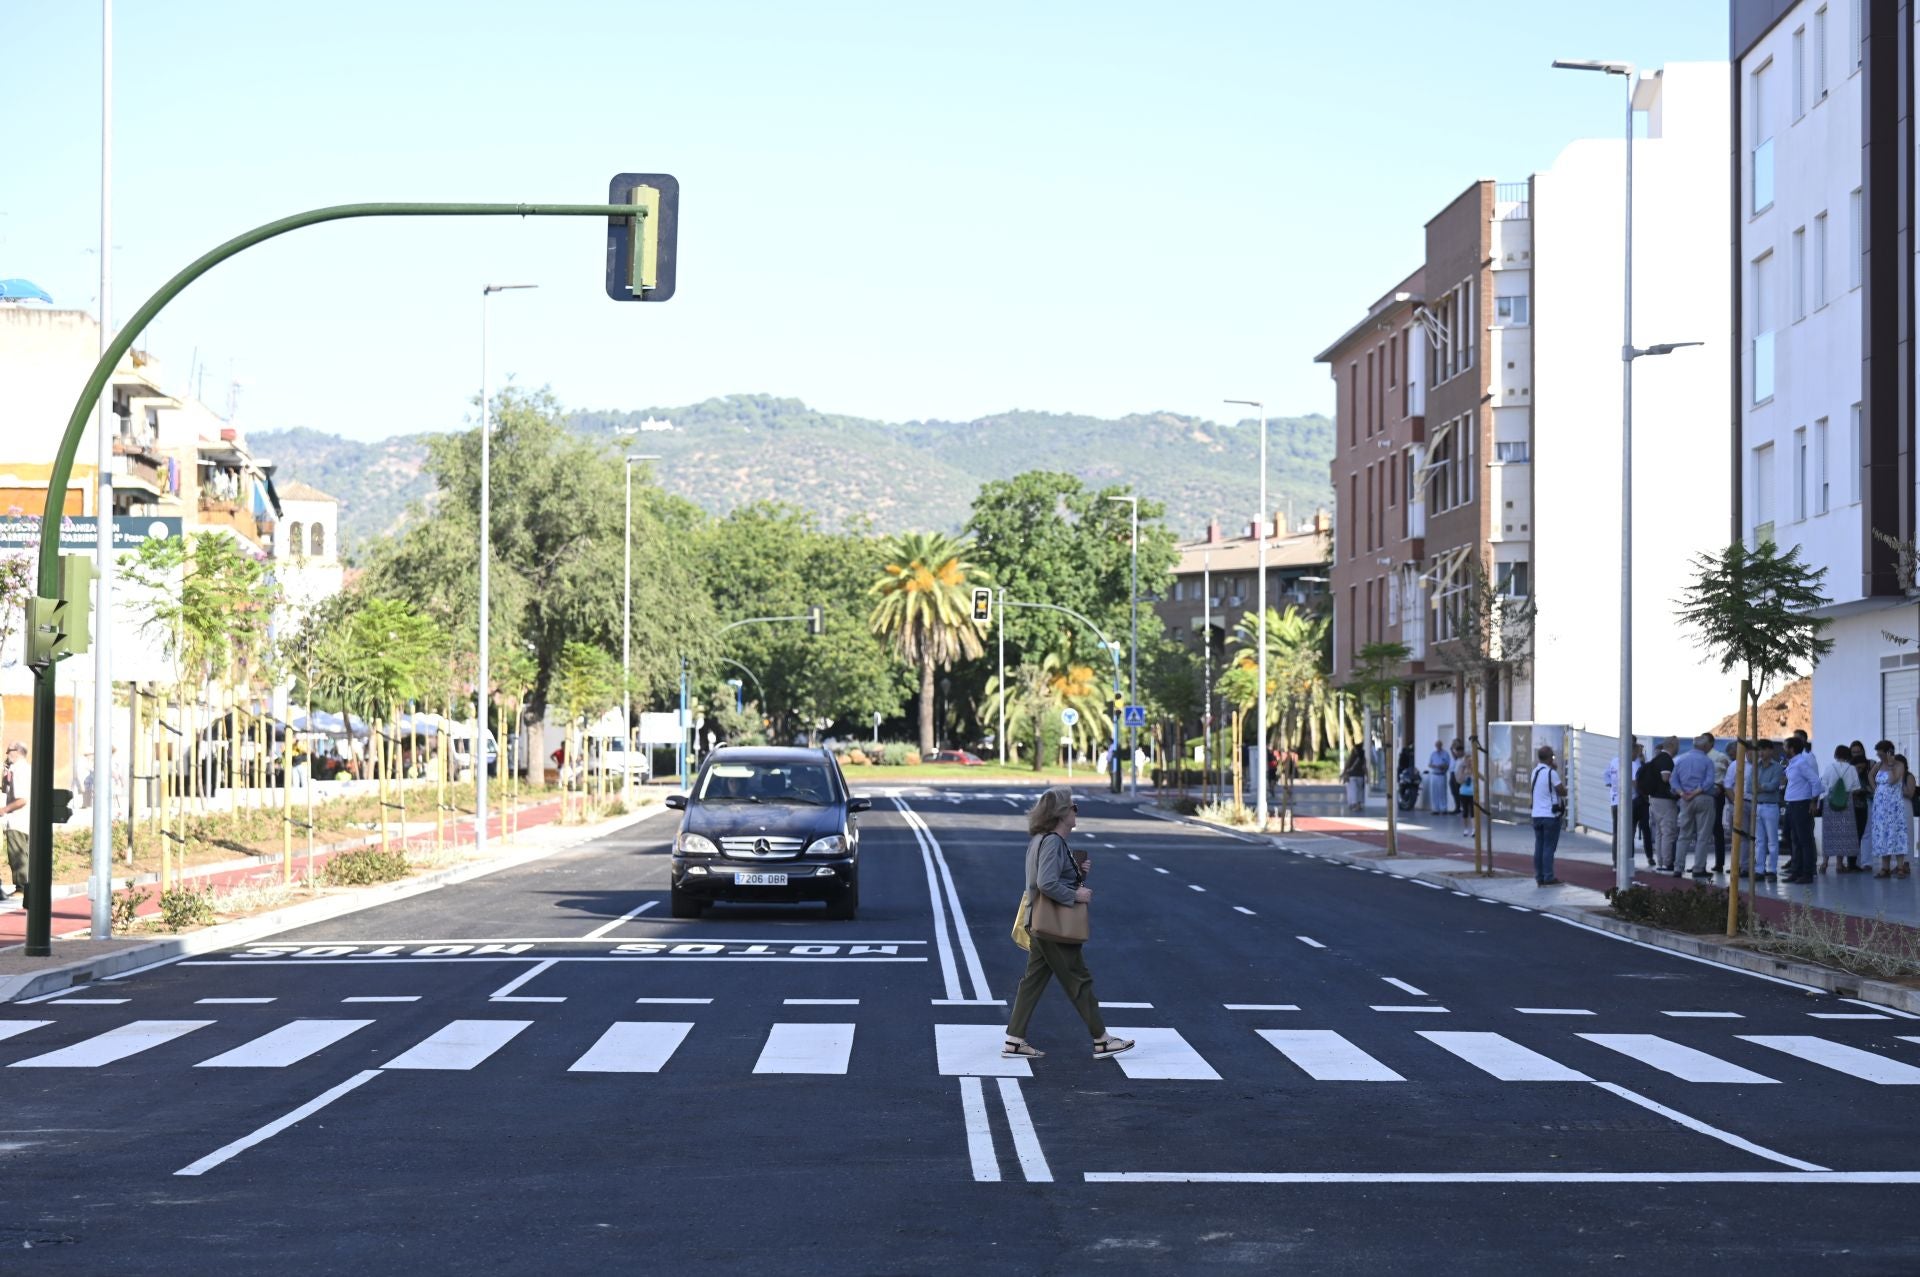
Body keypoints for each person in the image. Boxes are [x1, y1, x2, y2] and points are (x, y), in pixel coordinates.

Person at [1003, 785, 1134, 1062]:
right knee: (1079, 979)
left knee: (1033, 981)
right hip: (1054, 925)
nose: (1077, 812)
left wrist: (1076, 869)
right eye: (1073, 807)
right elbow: (1046, 882)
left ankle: (1014, 1040)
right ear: (1062, 813)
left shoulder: (1044, 839)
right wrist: (1076, 894)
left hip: (1040, 920)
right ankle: (1102, 1039)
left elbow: (1047, 875)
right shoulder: (1052, 842)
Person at [1670, 733, 1718, 879]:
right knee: (1703, 836)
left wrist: (1683, 794)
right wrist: (1695, 792)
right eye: (1709, 745)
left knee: (1683, 835)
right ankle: (1698, 868)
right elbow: (1709, 782)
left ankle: (1678, 867)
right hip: (1703, 798)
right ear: (1704, 746)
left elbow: (1673, 780)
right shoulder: (1707, 761)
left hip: (1685, 800)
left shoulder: (1680, 759)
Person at [1866, 742, 1912, 879]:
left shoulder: (1899, 765)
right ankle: (1885, 868)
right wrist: (1876, 789)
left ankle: (1900, 867)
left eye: (1880, 753)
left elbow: (1892, 780)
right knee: (1883, 834)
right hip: (1880, 806)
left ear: (1888, 752)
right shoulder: (1878, 765)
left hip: (1894, 806)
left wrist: (1891, 765)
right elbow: (1870, 776)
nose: (1878, 756)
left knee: (1896, 832)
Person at [1781, 736, 1821, 883]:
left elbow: (1816, 781)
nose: (1783, 749)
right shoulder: (1792, 763)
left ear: (1792, 748)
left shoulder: (1802, 763)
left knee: (1804, 840)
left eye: (1785, 746)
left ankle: (1807, 873)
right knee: (1792, 837)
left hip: (1801, 803)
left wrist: (1813, 801)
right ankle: (1796, 871)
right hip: (1792, 803)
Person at [1817, 743, 1860, 880]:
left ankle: (1824, 863)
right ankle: (1840, 864)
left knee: (1829, 832)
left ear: (1836, 754)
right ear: (1848, 755)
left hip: (1831, 803)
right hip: (1846, 803)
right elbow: (1856, 787)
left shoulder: (1830, 767)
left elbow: (1823, 784)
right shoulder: (1852, 769)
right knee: (1843, 833)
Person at [1528, 744, 1567, 885]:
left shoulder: (1535, 772)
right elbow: (1562, 791)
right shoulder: (1552, 773)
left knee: (1539, 846)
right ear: (1550, 758)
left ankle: (1539, 877)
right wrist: (1555, 771)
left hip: (1536, 815)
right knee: (1549, 847)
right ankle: (1549, 876)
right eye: (1553, 756)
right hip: (1550, 815)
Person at [1643, 737, 1679, 872]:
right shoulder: (1666, 759)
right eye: (1677, 745)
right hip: (1665, 800)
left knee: (1659, 832)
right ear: (1672, 745)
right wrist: (1677, 789)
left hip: (1654, 799)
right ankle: (1667, 863)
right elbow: (1665, 778)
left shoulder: (1656, 759)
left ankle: (1661, 862)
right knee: (1668, 831)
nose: (1678, 748)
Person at [1, 742, 29, 903]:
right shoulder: (17, 769)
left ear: (17, 752)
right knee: (23, 853)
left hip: (18, 819)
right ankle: (24, 886)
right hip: (24, 820)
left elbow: (22, 799)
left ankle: (21, 887)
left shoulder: (19, 770)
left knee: (17, 855)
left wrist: (4, 810)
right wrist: (5, 777)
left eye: (9, 751)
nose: (6, 754)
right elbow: (5, 789)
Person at [1707, 737, 1732, 873]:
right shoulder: (1699, 756)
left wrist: (1721, 787)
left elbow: (1729, 775)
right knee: (1702, 830)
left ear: (1710, 743)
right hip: (1701, 794)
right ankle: (1700, 864)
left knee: (1717, 828)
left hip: (1717, 794)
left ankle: (1719, 863)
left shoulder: (1721, 757)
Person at [1451, 743, 1474, 837]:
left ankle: (1474, 829)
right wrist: (1465, 775)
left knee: (1473, 812)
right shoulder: (1461, 768)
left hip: (1472, 793)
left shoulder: (1474, 770)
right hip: (1464, 792)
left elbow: (1479, 778)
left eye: (1470, 760)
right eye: (1467, 760)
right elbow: (1458, 779)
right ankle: (1465, 829)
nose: (1469, 762)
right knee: (1465, 811)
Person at [1425, 741, 1452, 816]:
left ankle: (1443, 809)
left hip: (1442, 774)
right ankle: (1435, 809)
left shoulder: (1445, 754)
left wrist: (1442, 766)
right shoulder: (1433, 754)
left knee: (1442, 792)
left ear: (1441, 745)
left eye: (1439, 745)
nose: (1438, 746)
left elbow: (1448, 764)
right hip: (1434, 774)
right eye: (1436, 745)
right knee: (1434, 792)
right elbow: (1429, 764)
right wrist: (1434, 766)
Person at [1342, 744, 1369, 813]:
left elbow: (1346, 766)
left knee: (1352, 791)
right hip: (1360, 776)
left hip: (1352, 776)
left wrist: (1344, 774)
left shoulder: (1352, 757)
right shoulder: (1363, 758)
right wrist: (1367, 776)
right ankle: (1358, 805)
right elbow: (1364, 768)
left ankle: (1354, 805)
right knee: (1359, 791)